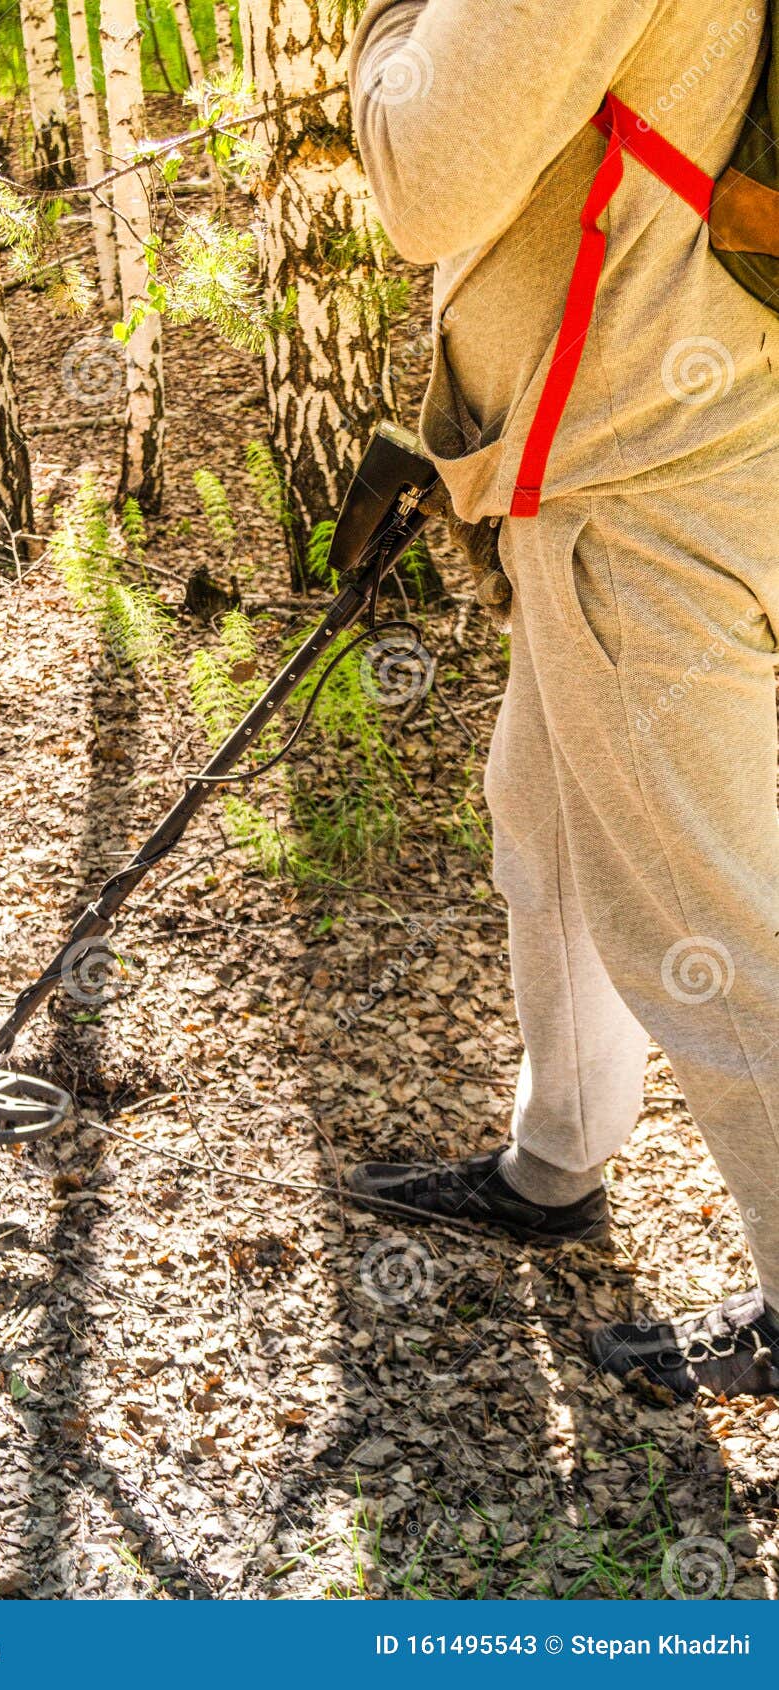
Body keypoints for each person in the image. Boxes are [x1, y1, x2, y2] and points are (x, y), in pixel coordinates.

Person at [344, 0, 779, 1400]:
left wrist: (381, 31)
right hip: (679, 439)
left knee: (702, 916)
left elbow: (430, 173)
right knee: (541, 811)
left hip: (643, 480)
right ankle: (559, 1156)